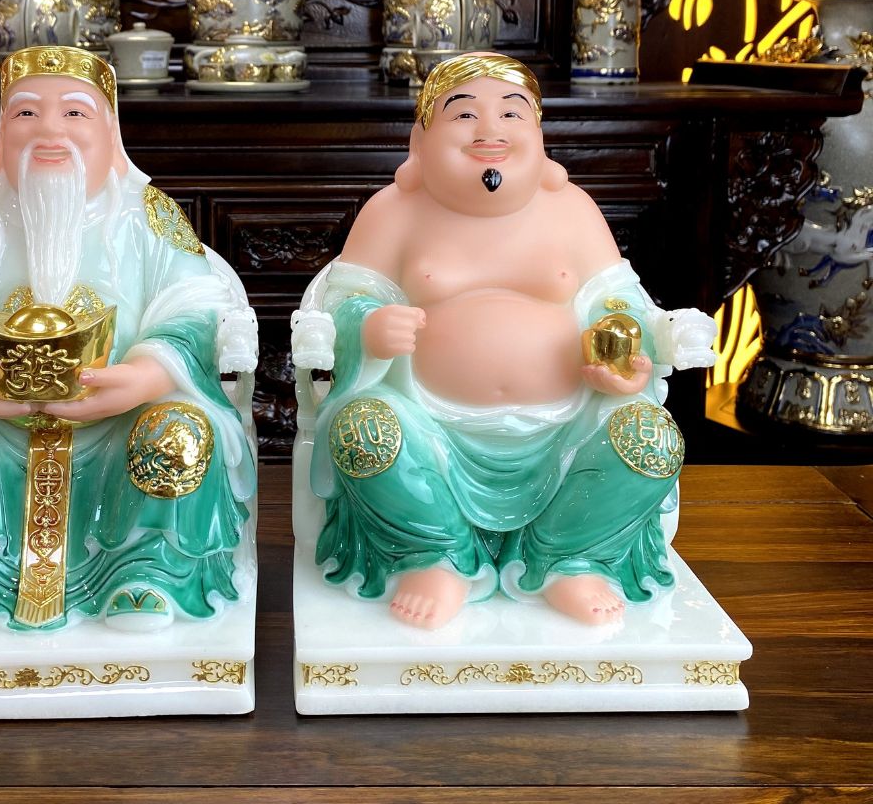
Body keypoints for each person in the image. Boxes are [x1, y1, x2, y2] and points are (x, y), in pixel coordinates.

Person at [0, 45, 257, 633]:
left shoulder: (147, 215)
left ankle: (152, 571)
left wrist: (145, 375)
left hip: (119, 418)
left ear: (110, 132)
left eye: (75, 113)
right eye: (26, 113)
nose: (49, 131)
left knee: (179, 433)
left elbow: (197, 305)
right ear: (1, 133)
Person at [292, 52, 716, 629]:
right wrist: (367, 327)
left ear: (540, 139)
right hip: (427, 423)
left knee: (651, 440)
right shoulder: (393, 213)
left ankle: (569, 559)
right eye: (464, 115)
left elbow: (618, 304)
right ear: (420, 141)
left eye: (513, 114)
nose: (490, 131)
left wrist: (627, 360)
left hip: (569, 423)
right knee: (361, 431)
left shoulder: (572, 210)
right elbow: (338, 305)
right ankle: (435, 555)